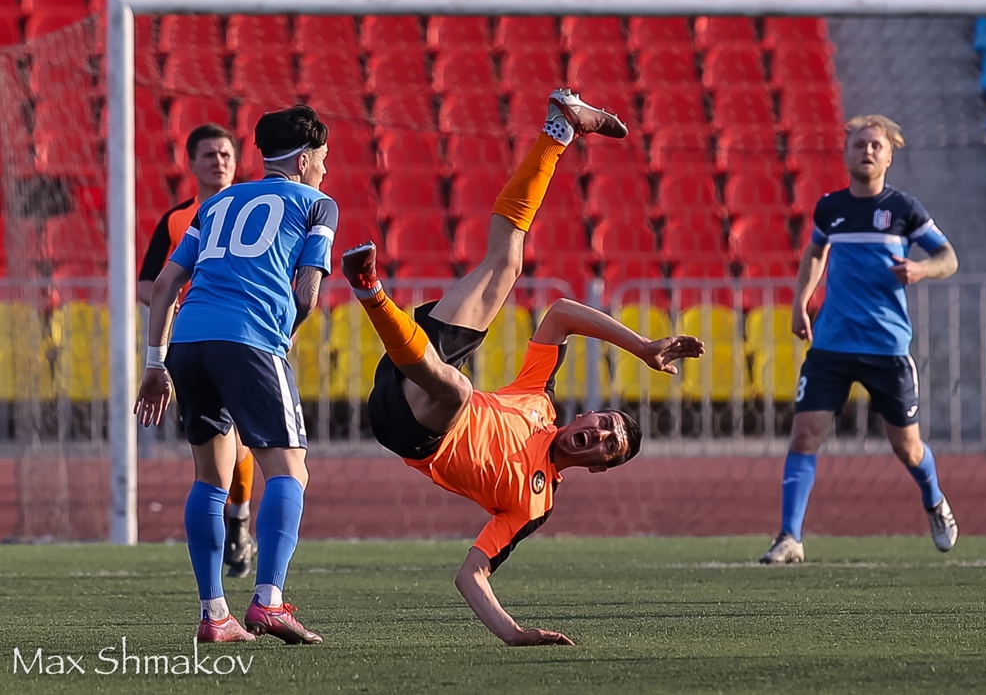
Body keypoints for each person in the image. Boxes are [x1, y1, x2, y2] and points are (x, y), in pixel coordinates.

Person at [340, 89, 704, 646]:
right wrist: (643, 346)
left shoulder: (535, 502)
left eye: (609, 444)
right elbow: (558, 314)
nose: (599, 433)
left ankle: (369, 291)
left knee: (457, 390)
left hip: (410, 425)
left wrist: (512, 633)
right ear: (587, 414)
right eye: (605, 423)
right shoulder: (541, 399)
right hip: (422, 366)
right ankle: (560, 131)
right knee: (506, 260)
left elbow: (471, 574)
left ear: (601, 467)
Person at [134, 105, 337, 644]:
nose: (325, 170)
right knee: (290, 471)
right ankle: (268, 602)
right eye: (322, 159)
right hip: (249, 340)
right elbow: (309, 293)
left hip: (188, 342)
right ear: (304, 159)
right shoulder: (318, 204)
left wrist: (155, 364)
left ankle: (213, 614)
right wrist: (280, 336)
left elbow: (162, 284)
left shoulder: (218, 202)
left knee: (210, 478)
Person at [759, 115, 961, 566]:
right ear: (846, 153)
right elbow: (815, 252)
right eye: (859, 145)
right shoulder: (831, 208)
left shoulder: (906, 209)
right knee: (805, 435)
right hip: (831, 345)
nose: (867, 151)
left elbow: (949, 257)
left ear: (889, 155)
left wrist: (922, 269)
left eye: (876, 145)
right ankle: (790, 536)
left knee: (906, 447)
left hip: (887, 348)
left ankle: (935, 501)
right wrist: (801, 303)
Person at [138, 123, 257, 580]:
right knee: (217, 443)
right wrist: (178, 298)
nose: (219, 160)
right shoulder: (177, 219)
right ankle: (236, 522)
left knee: (242, 438)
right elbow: (149, 283)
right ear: (191, 163)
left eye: (225, 152)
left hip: (246, 335)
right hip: (193, 339)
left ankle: (240, 516)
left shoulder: (252, 211)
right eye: (208, 154)